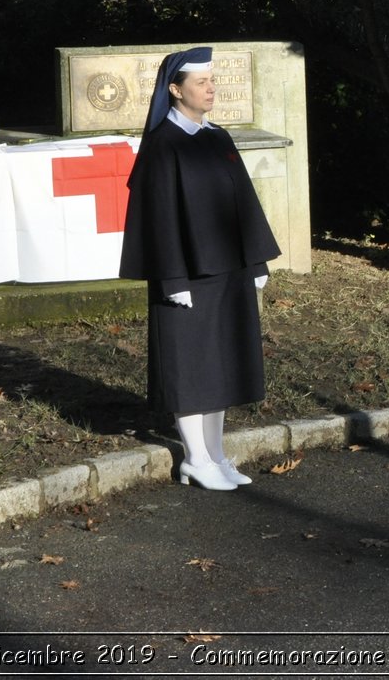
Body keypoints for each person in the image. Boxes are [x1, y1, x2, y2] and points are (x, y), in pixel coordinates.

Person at [120, 47, 281, 490]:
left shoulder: (217, 138)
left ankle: (216, 455)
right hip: (185, 275)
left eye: (213, 82)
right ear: (175, 90)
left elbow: (243, 204)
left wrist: (256, 260)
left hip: (228, 271)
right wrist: (172, 279)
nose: (212, 89)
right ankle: (194, 457)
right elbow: (158, 219)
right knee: (190, 366)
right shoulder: (162, 146)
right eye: (201, 83)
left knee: (221, 364)